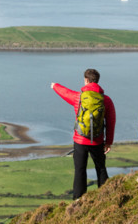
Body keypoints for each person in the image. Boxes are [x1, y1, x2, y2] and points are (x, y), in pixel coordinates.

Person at [51, 68, 116, 200]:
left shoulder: (78, 97)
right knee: (101, 168)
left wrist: (54, 86)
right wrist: (108, 141)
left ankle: (78, 201)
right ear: (97, 81)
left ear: (86, 80)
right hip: (97, 141)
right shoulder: (106, 100)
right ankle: (106, 197)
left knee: (80, 170)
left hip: (80, 140)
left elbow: (65, 93)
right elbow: (111, 122)